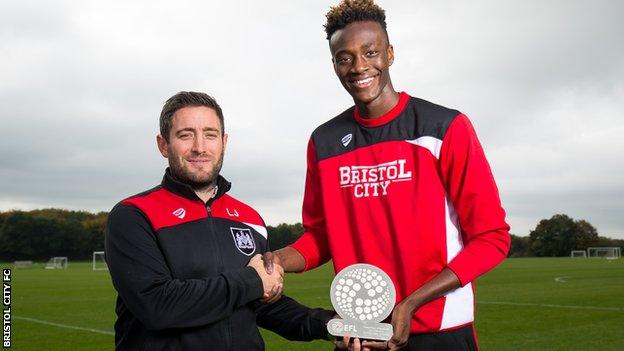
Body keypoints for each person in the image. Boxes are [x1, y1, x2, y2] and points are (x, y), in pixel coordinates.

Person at [266, 1, 511, 350]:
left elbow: (492, 238)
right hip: (363, 333)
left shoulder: (444, 128)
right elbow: (321, 236)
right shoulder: (325, 142)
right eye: (344, 57)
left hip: (441, 330)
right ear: (334, 64)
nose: (359, 67)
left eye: (370, 52)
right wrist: (279, 260)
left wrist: (411, 303)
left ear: (390, 54)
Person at [105, 91, 333, 350]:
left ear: (224, 142)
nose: (200, 147)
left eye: (210, 134)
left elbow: (257, 304)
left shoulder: (250, 219)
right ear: (163, 144)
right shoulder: (133, 215)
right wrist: (253, 281)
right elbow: (157, 305)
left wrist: (328, 324)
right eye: (185, 134)